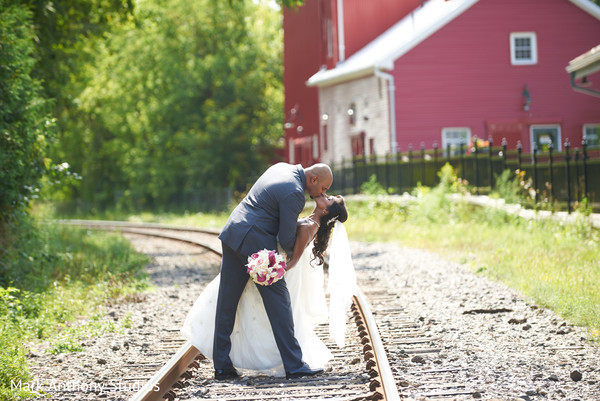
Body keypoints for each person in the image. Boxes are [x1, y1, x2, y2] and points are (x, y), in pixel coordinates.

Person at [180, 191, 348, 378]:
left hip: (274, 269)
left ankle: (284, 361)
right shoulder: (310, 221)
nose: (325, 195)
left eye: (329, 199)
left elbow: (294, 260)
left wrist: (271, 269)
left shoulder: (310, 226)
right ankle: (282, 361)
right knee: (255, 312)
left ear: (326, 211)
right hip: (268, 262)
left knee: (268, 314)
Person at [208, 162, 332, 380]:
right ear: (313, 180)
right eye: (323, 188)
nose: (322, 193)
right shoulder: (295, 193)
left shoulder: (282, 167)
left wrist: (303, 222)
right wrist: (309, 230)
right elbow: (286, 239)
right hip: (254, 241)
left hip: (234, 231)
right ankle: (294, 365)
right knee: (279, 301)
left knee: (227, 301)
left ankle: (221, 366)